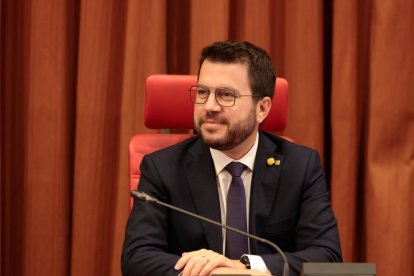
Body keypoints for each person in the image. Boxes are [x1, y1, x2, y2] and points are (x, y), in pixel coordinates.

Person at [121, 40, 342, 276]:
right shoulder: (162, 168)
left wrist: (245, 266)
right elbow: (137, 260)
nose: (209, 106)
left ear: (262, 109)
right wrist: (219, 273)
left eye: (226, 95)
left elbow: (328, 260)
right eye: (203, 92)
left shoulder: (300, 166)